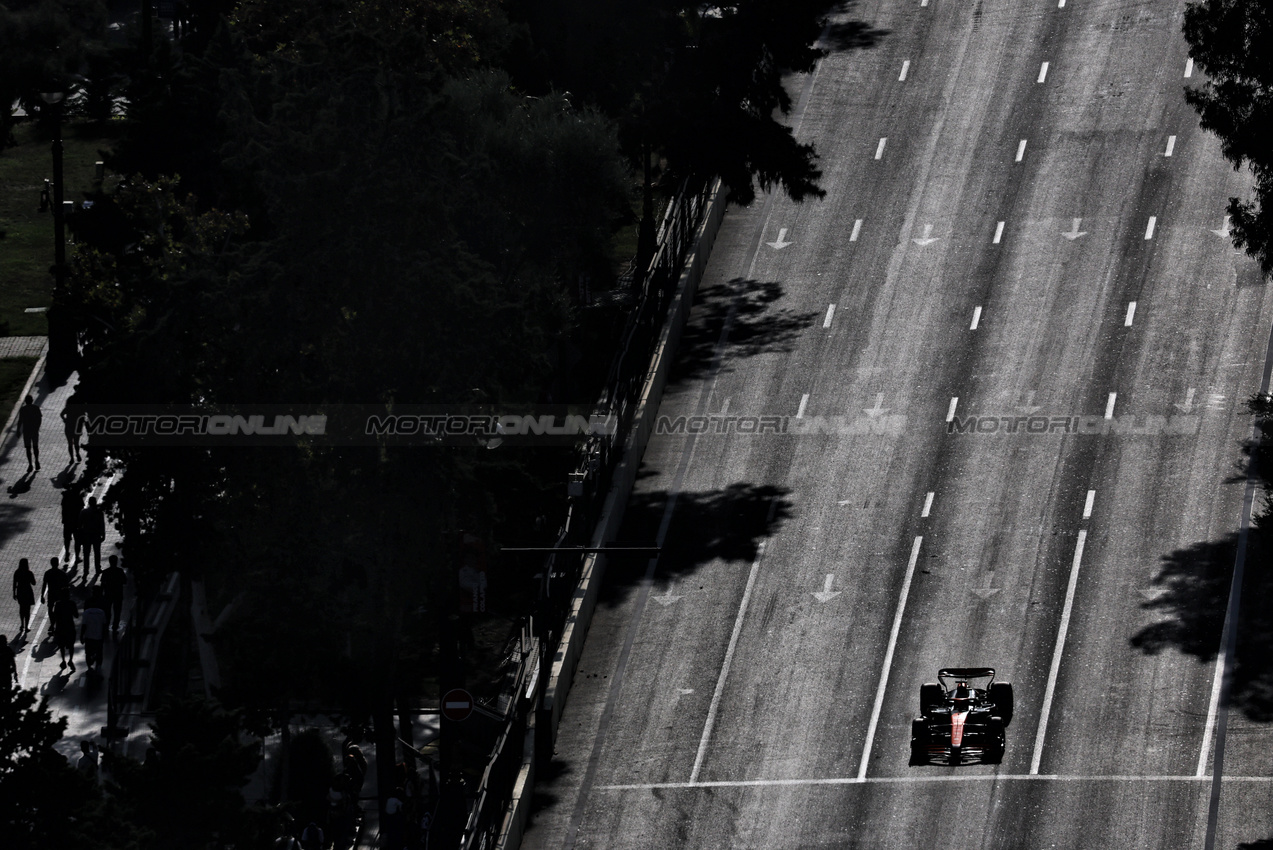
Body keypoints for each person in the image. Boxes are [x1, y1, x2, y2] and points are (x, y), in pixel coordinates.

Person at [79, 496, 106, 573]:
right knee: (97, 553)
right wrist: (103, 534)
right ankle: (98, 568)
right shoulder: (99, 512)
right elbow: (102, 524)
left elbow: (79, 525)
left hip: (86, 535)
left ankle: (86, 570)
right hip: (96, 535)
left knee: (86, 554)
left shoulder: (84, 512)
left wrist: (80, 536)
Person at [51, 594, 77, 672]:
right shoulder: (72, 603)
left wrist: (53, 626)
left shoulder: (58, 604)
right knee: (71, 645)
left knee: (61, 646)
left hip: (60, 627)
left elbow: (54, 616)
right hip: (70, 627)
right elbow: (76, 615)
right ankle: (70, 660)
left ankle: (63, 660)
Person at [100, 555, 127, 632]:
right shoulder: (120, 571)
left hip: (108, 594)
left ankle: (107, 624)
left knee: (107, 611)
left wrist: (101, 595)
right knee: (117, 611)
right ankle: (115, 625)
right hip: (118, 594)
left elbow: (102, 584)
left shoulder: (105, 572)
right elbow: (125, 581)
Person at [80, 594, 107, 670]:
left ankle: (89, 667)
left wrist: (81, 636)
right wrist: (104, 635)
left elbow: (84, 625)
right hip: (99, 636)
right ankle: (98, 666)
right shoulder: (101, 612)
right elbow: (104, 624)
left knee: (88, 653)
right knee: (99, 653)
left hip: (89, 636)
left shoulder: (86, 612)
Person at [17, 395, 41, 472]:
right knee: (35, 446)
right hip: (34, 430)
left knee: (28, 448)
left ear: (25, 401)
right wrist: (37, 427)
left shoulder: (23, 409)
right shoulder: (36, 408)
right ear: (32, 400)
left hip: (26, 431)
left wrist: (18, 430)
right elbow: (39, 419)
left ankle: (30, 464)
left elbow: (20, 420)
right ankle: (37, 461)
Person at [12, 558, 36, 632]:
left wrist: (14, 593)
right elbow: (34, 583)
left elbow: (14, 583)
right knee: (27, 610)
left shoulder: (17, 572)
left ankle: (22, 624)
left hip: (20, 591)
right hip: (28, 591)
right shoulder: (29, 573)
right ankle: (26, 626)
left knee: (22, 608)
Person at [61, 487, 82, 563]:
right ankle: (77, 556)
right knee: (77, 540)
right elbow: (81, 508)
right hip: (76, 522)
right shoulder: (78, 498)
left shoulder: (65, 498)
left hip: (67, 521)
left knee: (67, 539)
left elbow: (63, 509)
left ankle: (67, 552)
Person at [60, 396, 83, 463]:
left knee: (70, 443)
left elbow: (61, 414)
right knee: (76, 443)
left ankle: (72, 458)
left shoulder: (68, 408)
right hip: (76, 427)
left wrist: (65, 419)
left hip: (69, 426)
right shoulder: (78, 408)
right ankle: (77, 453)